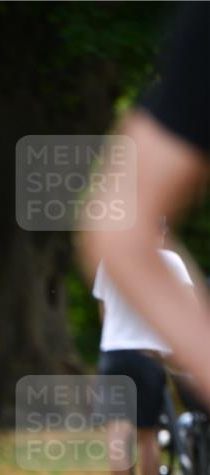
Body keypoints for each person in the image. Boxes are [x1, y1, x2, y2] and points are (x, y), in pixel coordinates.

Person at [80, 1, 210, 407]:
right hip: (143, 353)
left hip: (119, 351)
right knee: (146, 432)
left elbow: (117, 245)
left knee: (130, 431)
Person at [93, 223, 194, 475]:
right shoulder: (170, 262)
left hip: (113, 353)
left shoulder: (109, 259)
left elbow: (103, 310)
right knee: (147, 435)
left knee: (118, 435)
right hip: (148, 355)